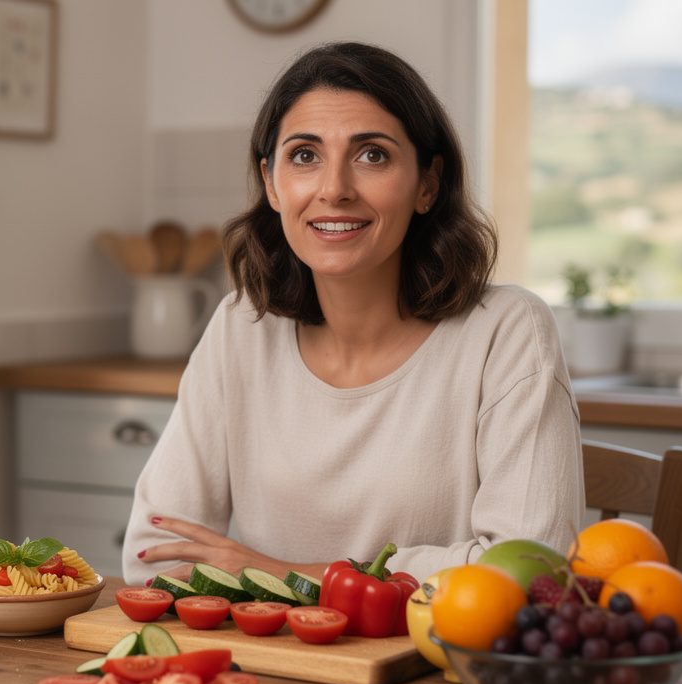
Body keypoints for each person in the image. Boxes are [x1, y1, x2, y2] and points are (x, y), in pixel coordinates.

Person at [122, 42, 582, 588]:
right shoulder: (241, 328)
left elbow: (530, 572)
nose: (334, 189)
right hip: (274, 645)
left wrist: (282, 574)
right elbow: (153, 555)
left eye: (372, 155)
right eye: (304, 156)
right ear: (271, 183)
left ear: (427, 184)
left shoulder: (507, 332)